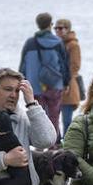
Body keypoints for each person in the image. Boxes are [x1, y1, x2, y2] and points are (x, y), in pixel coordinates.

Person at [18, 12, 70, 140]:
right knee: (54, 114)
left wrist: (22, 82)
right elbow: (64, 65)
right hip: (54, 84)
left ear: (38, 25)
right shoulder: (58, 42)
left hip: (35, 85)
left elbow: (22, 66)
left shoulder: (30, 43)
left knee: (38, 116)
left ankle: (40, 144)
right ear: (50, 25)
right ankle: (54, 143)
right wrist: (66, 82)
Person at [54, 18, 82, 135]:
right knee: (53, 116)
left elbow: (75, 66)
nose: (58, 31)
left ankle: (68, 143)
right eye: (56, 28)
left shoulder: (73, 45)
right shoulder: (55, 43)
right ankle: (57, 142)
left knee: (67, 120)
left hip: (68, 86)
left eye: (61, 28)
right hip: (56, 85)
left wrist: (67, 82)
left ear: (68, 29)